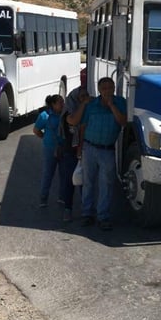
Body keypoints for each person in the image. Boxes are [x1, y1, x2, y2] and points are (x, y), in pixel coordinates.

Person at [67, 77, 127, 230]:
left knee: (106, 184)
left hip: (107, 149)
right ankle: (87, 214)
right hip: (89, 147)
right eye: (104, 88)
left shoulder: (120, 102)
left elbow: (123, 122)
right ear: (99, 90)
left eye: (110, 87)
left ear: (114, 88)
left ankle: (103, 216)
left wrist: (112, 105)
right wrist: (80, 148)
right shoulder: (91, 104)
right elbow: (79, 125)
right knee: (88, 182)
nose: (107, 91)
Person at [33, 95, 76, 211]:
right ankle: (43, 198)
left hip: (64, 149)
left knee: (64, 174)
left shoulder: (66, 115)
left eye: (63, 102)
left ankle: (62, 197)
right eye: (60, 103)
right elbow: (36, 130)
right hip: (50, 149)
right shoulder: (44, 116)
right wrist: (45, 139)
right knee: (48, 173)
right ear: (53, 104)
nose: (63, 105)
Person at [60, 68, 89, 222]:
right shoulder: (71, 103)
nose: (84, 97)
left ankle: (86, 211)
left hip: (87, 149)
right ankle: (68, 209)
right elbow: (73, 121)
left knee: (86, 183)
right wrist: (83, 105)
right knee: (69, 181)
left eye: (86, 95)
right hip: (70, 150)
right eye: (81, 95)